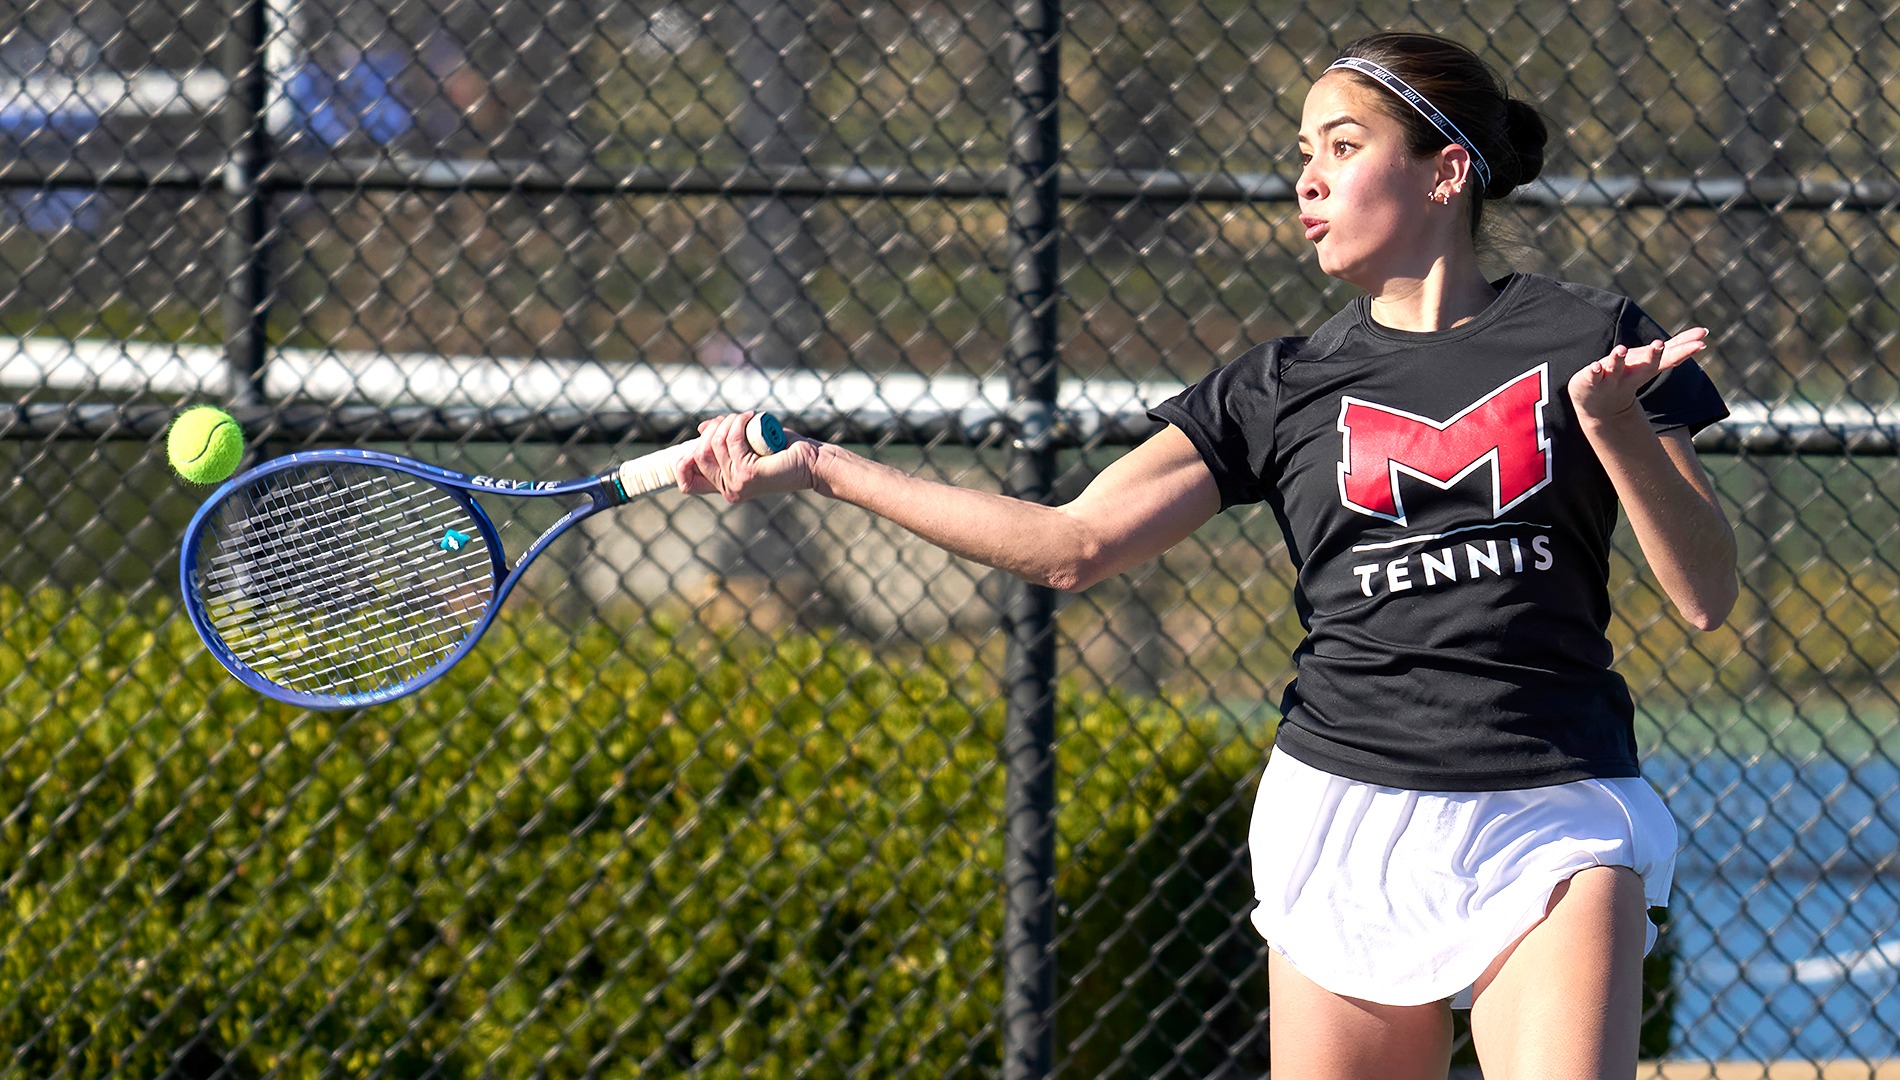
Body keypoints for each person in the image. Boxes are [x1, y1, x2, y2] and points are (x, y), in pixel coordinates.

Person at [673, 30, 1737, 1080]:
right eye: (1302, 154)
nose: (1307, 180)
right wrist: (822, 467)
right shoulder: (1279, 384)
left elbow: (1704, 595)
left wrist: (1613, 426)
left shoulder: (1589, 337)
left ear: (1448, 171)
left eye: (1342, 146)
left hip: (1551, 812)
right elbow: (1070, 545)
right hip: (1346, 807)